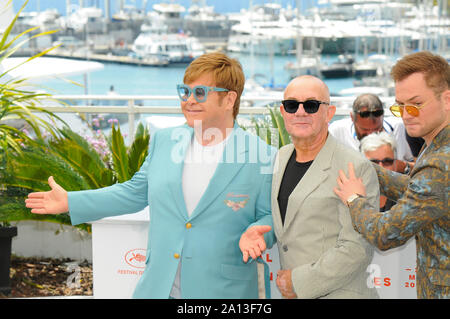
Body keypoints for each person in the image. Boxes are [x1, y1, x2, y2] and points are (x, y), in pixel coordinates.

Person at [25, 52, 277, 299]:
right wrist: (71, 200)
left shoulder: (261, 155)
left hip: (223, 290)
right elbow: (134, 192)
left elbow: (271, 215)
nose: (189, 100)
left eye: (200, 93)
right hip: (159, 286)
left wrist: (258, 231)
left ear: (229, 100)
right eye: (185, 91)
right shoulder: (165, 141)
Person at [334, 51, 449, 299]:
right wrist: (363, 165)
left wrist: (355, 200)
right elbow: (422, 190)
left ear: (447, 99)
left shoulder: (438, 163)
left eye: (416, 105)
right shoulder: (437, 144)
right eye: (400, 105)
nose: (407, 114)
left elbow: (386, 233)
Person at [273, 75, 379, 299]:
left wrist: (299, 282)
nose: (300, 112)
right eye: (292, 105)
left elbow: (357, 248)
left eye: (311, 105)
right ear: (283, 112)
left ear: (329, 113)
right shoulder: (280, 158)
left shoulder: (354, 166)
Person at [329, 93, 414, 174]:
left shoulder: (401, 129)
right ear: (352, 117)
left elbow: (421, 167)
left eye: (376, 129)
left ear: (383, 117)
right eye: (364, 129)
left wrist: (403, 166)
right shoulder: (337, 131)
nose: (371, 134)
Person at [359, 131, 398, 212]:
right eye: (374, 163)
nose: (381, 167)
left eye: (387, 161)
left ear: (395, 165)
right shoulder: (351, 195)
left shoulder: (408, 197)